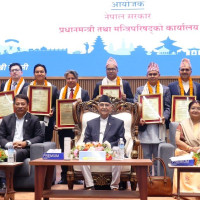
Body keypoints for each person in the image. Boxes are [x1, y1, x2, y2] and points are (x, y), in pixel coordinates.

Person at [81, 95, 125, 190]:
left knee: (118, 158)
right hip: (94, 152)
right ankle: (90, 185)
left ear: (111, 108)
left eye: (106, 105)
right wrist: (93, 146)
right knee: (82, 157)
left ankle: (114, 186)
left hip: (110, 152)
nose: (104, 107)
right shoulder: (90, 123)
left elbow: (121, 140)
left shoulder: (119, 123)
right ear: (98, 107)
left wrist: (109, 146)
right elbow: (86, 139)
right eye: (101, 105)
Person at [134, 62, 171, 175]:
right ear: (147, 75)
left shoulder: (165, 89)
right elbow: (136, 107)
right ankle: (147, 179)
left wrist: (165, 116)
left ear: (159, 75)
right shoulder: (140, 90)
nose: (152, 76)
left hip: (159, 127)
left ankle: (158, 179)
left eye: (154, 74)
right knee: (146, 156)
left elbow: (168, 107)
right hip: (145, 128)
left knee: (158, 157)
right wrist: (139, 117)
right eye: (150, 74)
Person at [0, 94, 44, 189]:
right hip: (7, 147)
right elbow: (1, 136)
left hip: (24, 149)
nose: (20, 106)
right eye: (17, 104)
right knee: (4, 154)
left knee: (17, 153)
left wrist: (26, 143)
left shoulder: (34, 119)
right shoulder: (6, 119)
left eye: (23, 104)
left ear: (28, 106)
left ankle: (4, 182)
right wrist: (9, 144)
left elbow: (40, 137)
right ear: (13, 106)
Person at [57, 70, 90, 184]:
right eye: (68, 78)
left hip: (78, 128)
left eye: (72, 78)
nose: (70, 80)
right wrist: (56, 124)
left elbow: (88, 110)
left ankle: (77, 176)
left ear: (77, 79)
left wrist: (81, 105)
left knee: (77, 151)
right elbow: (58, 109)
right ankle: (64, 176)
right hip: (63, 128)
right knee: (64, 152)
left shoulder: (84, 93)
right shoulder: (61, 92)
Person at [22, 64, 58, 142]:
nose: (39, 73)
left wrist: (52, 110)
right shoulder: (26, 89)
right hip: (30, 121)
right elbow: (23, 103)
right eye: (37, 72)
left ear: (45, 73)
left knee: (46, 142)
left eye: (41, 71)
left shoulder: (53, 88)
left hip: (47, 121)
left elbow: (55, 105)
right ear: (34, 74)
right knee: (31, 143)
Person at [173, 100, 200, 198]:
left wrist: (198, 149)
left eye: (198, 108)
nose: (195, 110)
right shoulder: (183, 124)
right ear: (188, 111)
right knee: (185, 158)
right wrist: (191, 148)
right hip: (186, 151)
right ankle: (184, 193)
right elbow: (177, 141)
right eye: (193, 108)